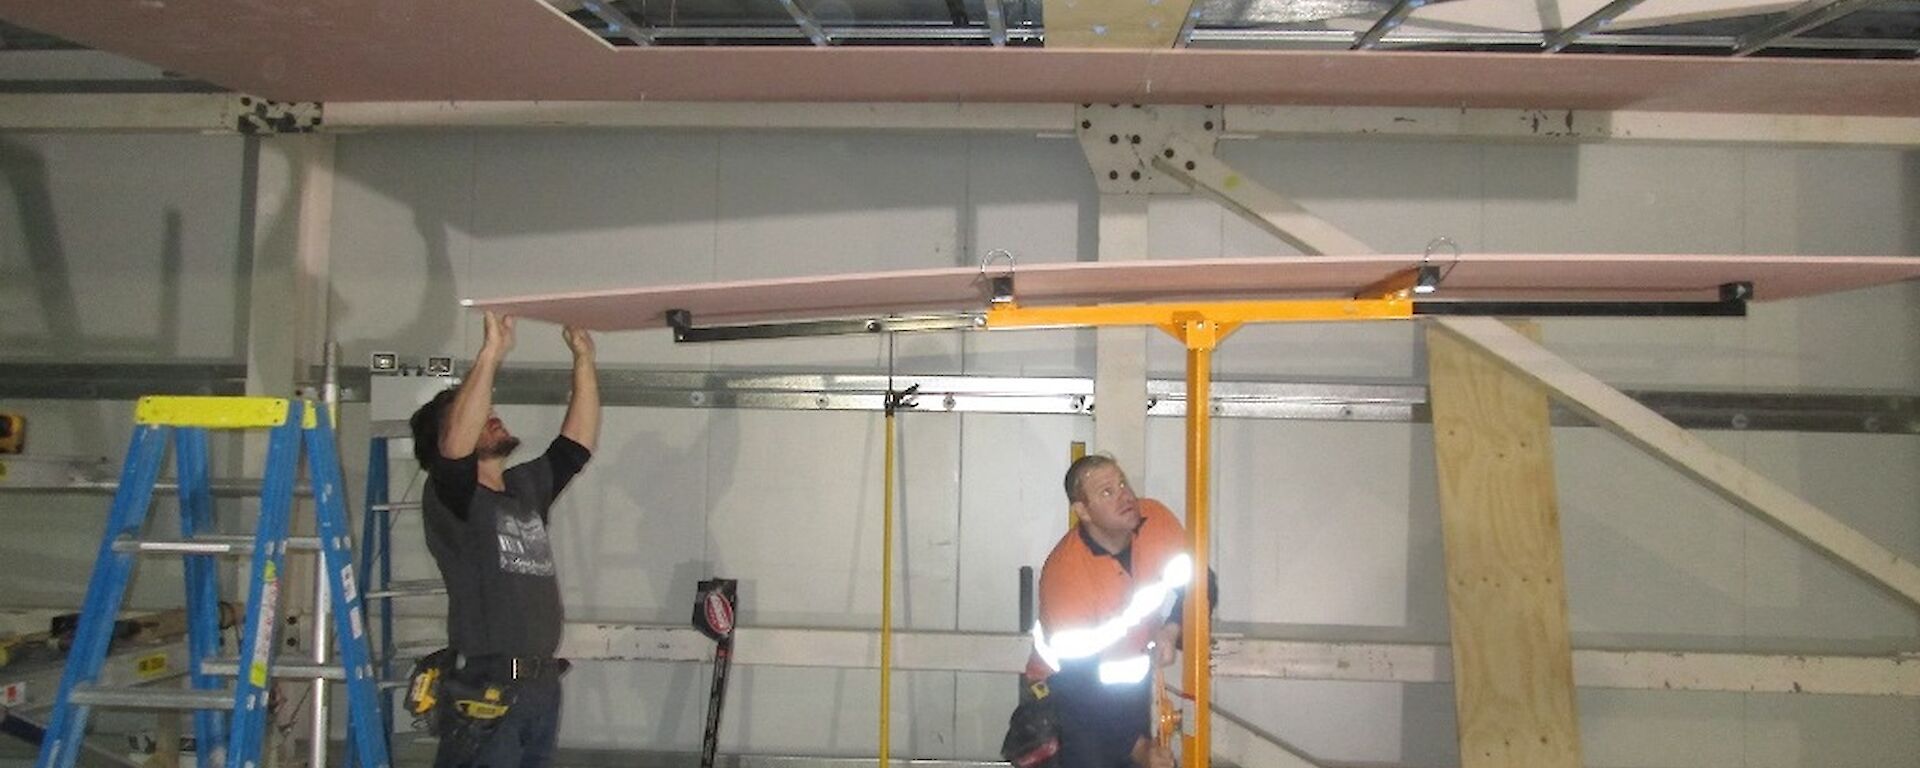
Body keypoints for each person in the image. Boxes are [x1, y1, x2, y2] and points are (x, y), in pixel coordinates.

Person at [408, 311, 599, 768]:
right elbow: (455, 445)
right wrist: (492, 352)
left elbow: (576, 446)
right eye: (480, 416)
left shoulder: (522, 490)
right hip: (486, 688)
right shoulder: (453, 496)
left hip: (538, 687)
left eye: (491, 413)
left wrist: (585, 362)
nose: (492, 417)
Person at [1026, 454, 1205, 768]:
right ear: (1083, 511)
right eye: (1106, 492)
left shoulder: (1156, 520)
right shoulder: (1065, 575)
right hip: (1070, 701)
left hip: (1129, 687)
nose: (1124, 495)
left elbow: (1201, 582)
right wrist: (1137, 748)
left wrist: (1173, 627)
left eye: (1122, 483)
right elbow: (1076, 685)